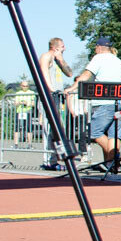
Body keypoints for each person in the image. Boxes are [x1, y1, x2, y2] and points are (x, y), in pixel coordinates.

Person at [66, 37, 121, 166]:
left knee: (94, 132)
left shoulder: (98, 58)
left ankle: (114, 156)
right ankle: (110, 165)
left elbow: (85, 75)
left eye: (95, 47)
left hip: (104, 102)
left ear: (99, 47)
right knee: (114, 135)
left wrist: (71, 88)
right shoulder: (118, 61)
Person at [39, 37, 72, 171]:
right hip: (49, 96)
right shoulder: (46, 56)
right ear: (56, 47)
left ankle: (54, 159)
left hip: (57, 97)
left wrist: (61, 59)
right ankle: (48, 160)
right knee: (49, 128)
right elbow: (43, 73)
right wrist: (51, 90)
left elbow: (70, 73)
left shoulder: (58, 61)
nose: (65, 49)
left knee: (57, 130)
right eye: (63, 46)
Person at [12, 79, 35, 145]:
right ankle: (16, 144)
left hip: (28, 112)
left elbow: (33, 104)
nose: (25, 87)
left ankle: (29, 144)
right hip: (19, 112)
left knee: (28, 128)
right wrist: (19, 102)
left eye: (27, 86)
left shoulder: (31, 93)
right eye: (24, 86)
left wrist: (27, 103)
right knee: (17, 127)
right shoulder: (18, 93)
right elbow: (15, 103)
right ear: (21, 86)